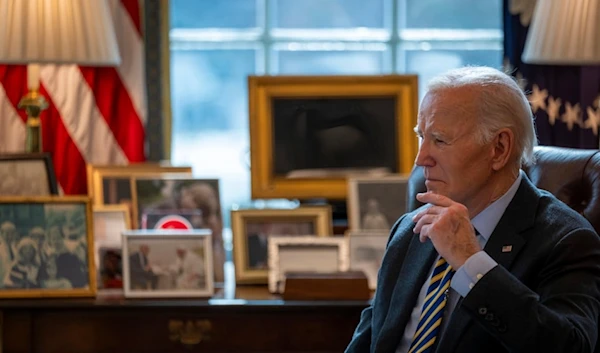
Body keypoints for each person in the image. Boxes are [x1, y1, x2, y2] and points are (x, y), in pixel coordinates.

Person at [345, 66, 600, 353]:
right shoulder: (409, 229)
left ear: (499, 148)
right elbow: (367, 341)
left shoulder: (567, 240)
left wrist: (471, 262)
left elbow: (571, 348)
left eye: (440, 140)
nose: (421, 158)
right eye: (422, 137)